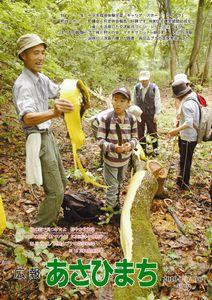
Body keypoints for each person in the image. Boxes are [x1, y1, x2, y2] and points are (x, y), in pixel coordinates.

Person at [12, 33, 73, 227]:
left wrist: (77, 88)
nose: (41, 57)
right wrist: (54, 112)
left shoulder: (40, 78)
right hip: (37, 137)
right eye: (35, 53)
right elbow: (28, 118)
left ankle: (51, 218)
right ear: (24, 56)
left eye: (42, 53)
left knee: (61, 183)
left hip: (48, 135)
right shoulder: (24, 84)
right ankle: (38, 230)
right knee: (55, 191)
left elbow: (59, 91)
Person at [97, 88, 138, 210]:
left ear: (128, 103)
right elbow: (100, 140)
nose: (117, 103)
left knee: (120, 182)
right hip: (111, 160)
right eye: (115, 100)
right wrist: (113, 148)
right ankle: (110, 211)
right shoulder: (106, 119)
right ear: (112, 101)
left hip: (125, 160)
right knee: (112, 186)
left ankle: (116, 204)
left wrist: (130, 145)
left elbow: (135, 138)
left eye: (122, 100)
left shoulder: (132, 119)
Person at [168, 81, 200, 190]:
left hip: (188, 137)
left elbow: (189, 123)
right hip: (188, 136)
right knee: (184, 159)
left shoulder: (187, 103)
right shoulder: (192, 96)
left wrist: (175, 130)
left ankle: (184, 184)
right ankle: (181, 179)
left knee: (185, 160)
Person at [133, 70, 161, 156]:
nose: (143, 82)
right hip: (139, 114)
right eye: (142, 80)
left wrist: (156, 114)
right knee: (140, 132)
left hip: (151, 113)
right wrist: (134, 114)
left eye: (145, 80)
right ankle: (143, 150)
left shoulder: (154, 88)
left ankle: (155, 150)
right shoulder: (136, 88)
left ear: (149, 79)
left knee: (152, 131)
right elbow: (134, 101)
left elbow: (157, 101)